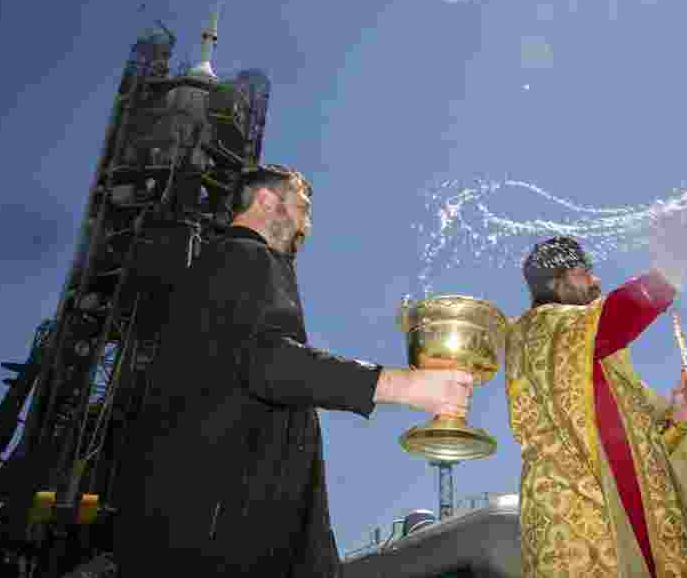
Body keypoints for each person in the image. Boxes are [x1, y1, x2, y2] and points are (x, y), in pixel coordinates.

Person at [114, 165, 474, 577]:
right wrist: (403, 385)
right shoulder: (244, 256)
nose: (308, 223)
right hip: (233, 541)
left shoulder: (210, 272)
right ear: (267, 200)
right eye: (302, 207)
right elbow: (269, 362)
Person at [504, 230, 687, 578]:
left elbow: (641, 458)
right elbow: (617, 314)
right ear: (555, 283)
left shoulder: (603, 363)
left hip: (647, 536)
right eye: (583, 272)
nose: (596, 281)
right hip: (583, 532)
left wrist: (679, 418)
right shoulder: (537, 332)